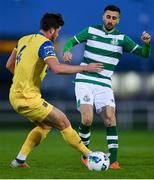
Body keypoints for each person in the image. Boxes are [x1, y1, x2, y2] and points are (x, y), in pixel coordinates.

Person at [6, 13, 103, 168]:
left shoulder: (23, 39)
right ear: (51, 30)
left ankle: (19, 160)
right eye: (58, 31)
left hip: (14, 95)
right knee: (63, 121)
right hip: (28, 98)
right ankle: (91, 156)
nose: (57, 35)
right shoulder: (45, 44)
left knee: (45, 126)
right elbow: (56, 69)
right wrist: (85, 68)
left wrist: (22, 80)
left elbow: (9, 65)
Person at [63, 5, 151, 169]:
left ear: (118, 20)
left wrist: (147, 44)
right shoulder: (90, 31)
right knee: (87, 118)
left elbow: (144, 54)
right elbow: (71, 41)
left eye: (114, 18)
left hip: (104, 82)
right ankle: (85, 154)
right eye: (108, 17)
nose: (110, 20)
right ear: (103, 17)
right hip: (85, 79)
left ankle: (115, 161)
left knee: (110, 118)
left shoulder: (122, 39)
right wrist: (67, 50)